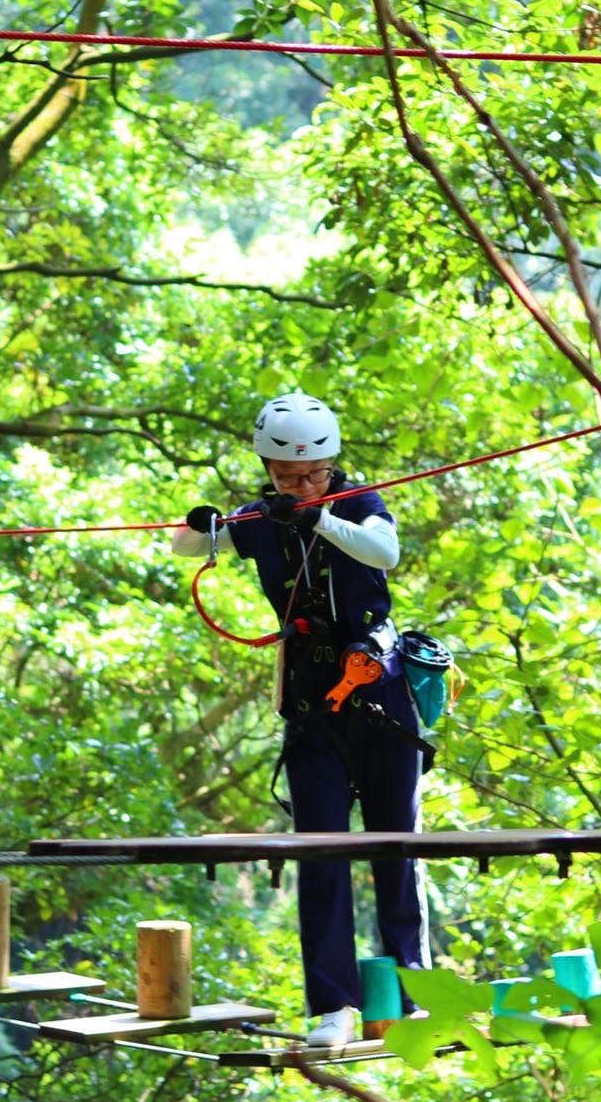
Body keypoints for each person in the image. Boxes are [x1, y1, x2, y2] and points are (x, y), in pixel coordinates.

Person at [173, 392, 428, 1049]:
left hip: (377, 691)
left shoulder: (359, 504)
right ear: (266, 467)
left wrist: (314, 518)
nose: (301, 484)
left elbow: (384, 553)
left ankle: (417, 993)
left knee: (396, 847)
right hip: (312, 704)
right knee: (320, 855)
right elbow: (188, 546)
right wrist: (202, 525)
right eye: (287, 476)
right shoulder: (262, 516)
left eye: (313, 473)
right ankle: (333, 1008)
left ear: (331, 464)